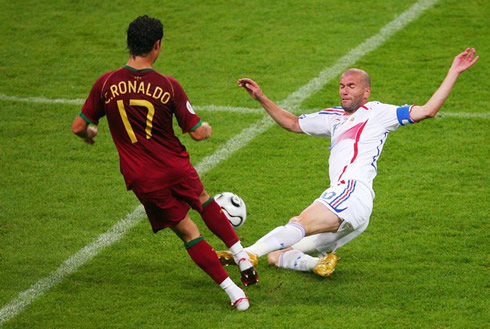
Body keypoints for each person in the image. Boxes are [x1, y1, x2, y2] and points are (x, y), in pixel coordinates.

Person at [217, 48, 479, 277]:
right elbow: (294, 123)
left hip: (351, 192)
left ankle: (245, 253)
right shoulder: (333, 117)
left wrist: (454, 71)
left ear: (366, 92)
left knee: (298, 222)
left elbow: (427, 110)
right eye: (342, 86)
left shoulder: (378, 112)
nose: (344, 90)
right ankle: (317, 264)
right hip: (355, 211)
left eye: (351, 86)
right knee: (278, 253)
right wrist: (261, 97)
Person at [72, 15, 258, 311]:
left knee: (188, 232)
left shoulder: (105, 83)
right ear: (157, 46)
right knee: (203, 199)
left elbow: (79, 127)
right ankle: (241, 255)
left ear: (130, 44)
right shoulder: (168, 86)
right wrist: (207, 129)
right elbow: (197, 133)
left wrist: (90, 133)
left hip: (143, 178)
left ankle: (235, 293)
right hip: (175, 166)